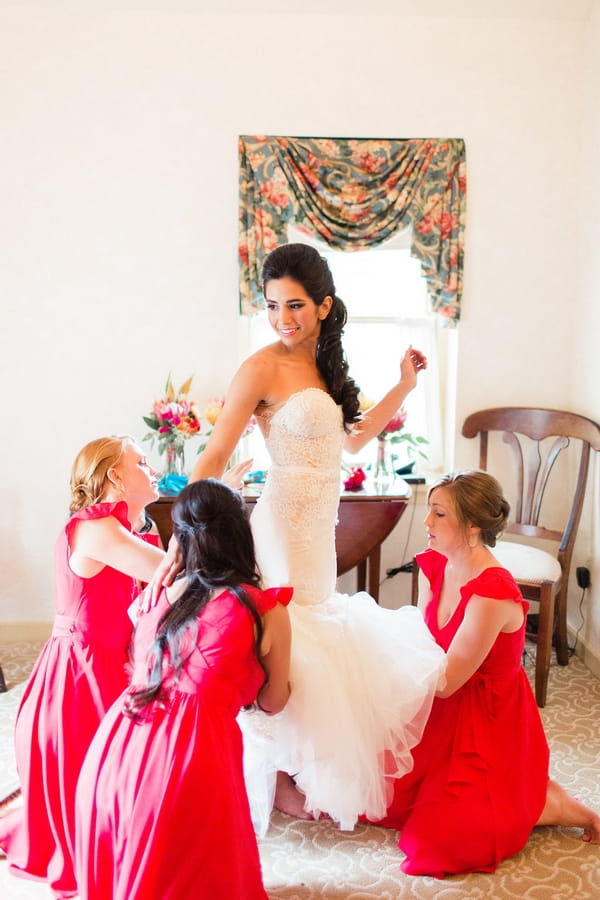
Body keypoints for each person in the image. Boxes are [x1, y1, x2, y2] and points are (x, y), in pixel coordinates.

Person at [154, 242, 446, 835]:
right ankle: (275, 770)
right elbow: (214, 452)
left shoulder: (326, 366)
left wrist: (405, 386)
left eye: (294, 305)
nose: (282, 318)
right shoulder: (261, 367)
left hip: (321, 523)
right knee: (287, 627)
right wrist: (183, 533)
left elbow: (355, 440)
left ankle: (296, 764)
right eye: (271, 306)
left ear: (322, 305)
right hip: (283, 519)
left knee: (315, 627)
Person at [372, 469, 600, 877]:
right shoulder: (434, 564)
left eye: (439, 515)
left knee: (440, 844)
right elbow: (424, 643)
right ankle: (529, 797)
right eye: (430, 512)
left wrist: (378, 663)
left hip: (486, 720)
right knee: (376, 795)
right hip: (439, 707)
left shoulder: (492, 592)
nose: (427, 523)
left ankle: (545, 804)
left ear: (473, 525)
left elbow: (445, 683)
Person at [75, 478, 292, 900]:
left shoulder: (154, 595)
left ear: (179, 540)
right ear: (240, 530)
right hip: (191, 757)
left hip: (116, 751)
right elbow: (273, 702)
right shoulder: (264, 607)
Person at [0, 436, 166, 899]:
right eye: (142, 462)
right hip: (81, 679)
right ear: (115, 475)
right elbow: (176, 572)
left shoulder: (122, 528)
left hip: (110, 664)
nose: (151, 470)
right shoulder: (98, 530)